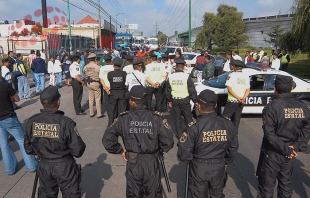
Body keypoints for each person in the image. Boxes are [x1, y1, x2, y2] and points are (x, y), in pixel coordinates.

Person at [102, 85, 174, 197]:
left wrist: (120, 150)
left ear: (133, 102)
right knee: (153, 194)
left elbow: (108, 139)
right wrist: (159, 150)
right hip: (151, 162)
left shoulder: (124, 118)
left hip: (133, 162)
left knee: (133, 194)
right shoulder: (157, 118)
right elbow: (168, 142)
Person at [24, 86, 86, 197]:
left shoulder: (32, 121)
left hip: (44, 165)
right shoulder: (66, 122)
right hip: (64, 166)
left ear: (41, 102)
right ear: (58, 101)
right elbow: (78, 150)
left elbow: (28, 149)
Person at [256, 75, 310, 198]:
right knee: (286, 185)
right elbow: (307, 128)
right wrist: (295, 147)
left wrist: (288, 148)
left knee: (266, 186)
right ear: (291, 89)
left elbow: (269, 133)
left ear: (275, 88)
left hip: (273, 152)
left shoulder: (271, 107)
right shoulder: (303, 107)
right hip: (289, 152)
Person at [177, 89, 238, 198]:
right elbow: (233, 148)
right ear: (215, 105)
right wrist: (226, 161)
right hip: (219, 166)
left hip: (199, 167)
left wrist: (193, 159)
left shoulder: (194, 127)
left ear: (198, 106)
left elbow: (183, 154)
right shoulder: (227, 124)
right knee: (217, 194)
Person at [0, 69, 38, 175]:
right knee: (22, 141)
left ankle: (10, 169)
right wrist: (10, 98)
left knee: (4, 144)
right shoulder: (5, 86)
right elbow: (17, 99)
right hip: (8, 116)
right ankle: (32, 166)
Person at [167, 59, 197, 138]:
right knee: (188, 117)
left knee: (177, 117)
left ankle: (179, 134)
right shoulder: (187, 76)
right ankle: (190, 133)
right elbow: (192, 90)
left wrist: (169, 100)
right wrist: (195, 100)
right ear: (183, 67)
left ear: (176, 67)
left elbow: (168, 90)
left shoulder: (171, 76)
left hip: (175, 100)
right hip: (185, 100)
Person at [222, 59, 250, 132]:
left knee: (225, 118)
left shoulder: (232, 75)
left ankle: (226, 134)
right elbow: (248, 90)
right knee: (236, 119)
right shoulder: (246, 76)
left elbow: (229, 89)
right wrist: (243, 98)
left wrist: (237, 98)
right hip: (241, 102)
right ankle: (234, 135)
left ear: (234, 67)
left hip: (232, 101)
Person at [107, 57, 127, 126]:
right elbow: (125, 82)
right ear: (121, 65)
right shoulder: (124, 73)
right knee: (123, 109)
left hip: (113, 92)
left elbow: (110, 81)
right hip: (122, 92)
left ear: (113, 65)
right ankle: (123, 123)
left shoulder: (110, 74)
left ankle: (110, 123)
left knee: (112, 109)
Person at [84, 53, 104, 118]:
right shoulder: (98, 67)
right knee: (97, 99)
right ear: (95, 59)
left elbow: (84, 75)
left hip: (89, 83)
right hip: (96, 83)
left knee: (91, 98)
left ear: (89, 60)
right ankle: (99, 113)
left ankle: (91, 113)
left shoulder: (86, 67)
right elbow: (100, 76)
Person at [99, 54, 114, 119]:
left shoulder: (102, 68)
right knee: (113, 102)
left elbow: (101, 79)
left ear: (104, 61)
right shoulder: (113, 67)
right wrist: (110, 87)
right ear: (111, 61)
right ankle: (113, 114)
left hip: (105, 88)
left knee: (107, 102)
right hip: (112, 87)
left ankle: (109, 115)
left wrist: (106, 88)